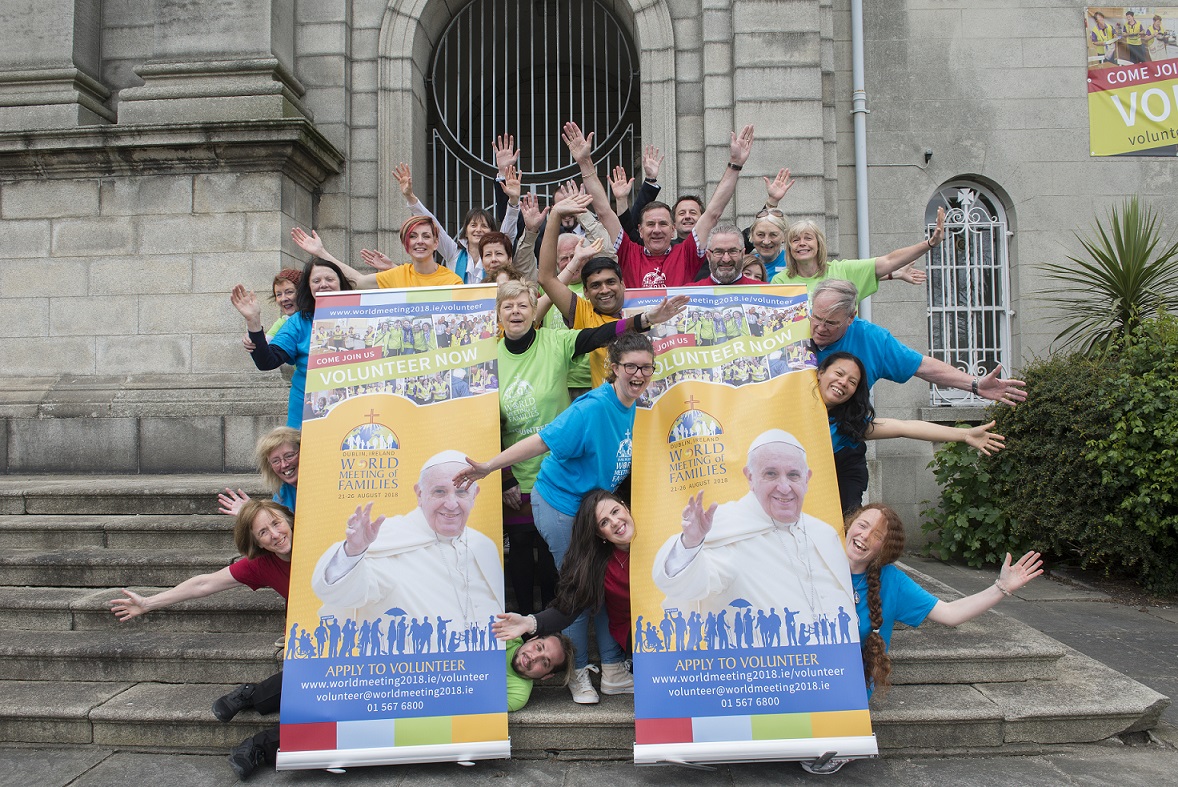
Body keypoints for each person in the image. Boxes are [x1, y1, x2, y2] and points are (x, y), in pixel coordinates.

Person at [454, 332, 657, 704]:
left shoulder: (633, 405)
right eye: (631, 366)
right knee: (580, 586)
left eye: (646, 367)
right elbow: (541, 440)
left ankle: (611, 669)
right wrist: (489, 468)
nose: (639, 374)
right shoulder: (593, 407)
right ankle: (579, 673)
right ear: (613, 369)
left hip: (592, 509)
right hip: (562, 507)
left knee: (597, 583)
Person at [108, 499, 294, 780]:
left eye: (276, 523)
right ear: (257, 543)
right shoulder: (262, 565)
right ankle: (253, 700)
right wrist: (147, 603)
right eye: (263, 532)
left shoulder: (321, 539)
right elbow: (204, 583)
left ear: (289, 519)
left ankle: (258, 733)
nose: (275, 535)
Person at [652, 430, 854, 635]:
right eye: (771, 474)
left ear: (807, 478)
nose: (784, 487)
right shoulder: (725, 528)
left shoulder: (824, 534)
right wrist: (691, 543)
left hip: (830, 665)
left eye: (793, 475)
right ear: (750, 477)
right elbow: (688, 584)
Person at [311, 451, 503, 643]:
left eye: (461, 492)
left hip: (482, 668)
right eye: (439, 492)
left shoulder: (483, 545)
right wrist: (353, 552)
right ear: (419, 494)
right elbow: (343, 593)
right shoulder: (385, 540)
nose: (452, 504)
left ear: (474, 495)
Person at [562, 119, 755, 289]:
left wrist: (735, 164)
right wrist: (585, 162)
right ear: (640, 230)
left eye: (663, 224)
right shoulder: (629, 252)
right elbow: (604, 212)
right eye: (650, 224)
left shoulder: (686, 253)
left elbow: (713, 212)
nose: (656, 230)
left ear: (673, 230)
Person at [818, 352, 1006, 514]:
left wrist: (964, 435)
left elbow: (904, 427)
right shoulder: (793, 404)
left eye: (852, 382)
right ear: (820, 373)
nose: (843, 383)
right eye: (838, 373)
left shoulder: (849, 426)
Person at [495, 489, 637, 695]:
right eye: (604, 522)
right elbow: (568, 608)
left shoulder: (660, 535)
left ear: (625, 506)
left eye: (615, 511)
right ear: (599, 534)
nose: (615, 522)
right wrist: (529, 622)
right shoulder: (599, 565)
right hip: (641, 635)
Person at [538, 193, 689, 387]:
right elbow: (546, 278)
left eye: (610, 282)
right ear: (585, 292)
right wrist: (555, 215)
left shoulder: (650, 308)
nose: (604, 290)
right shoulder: (584, 314)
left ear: (623, 284)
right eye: (595, 285)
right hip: (610, 412)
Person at [809, 278, 1027, 404]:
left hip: (844, 448)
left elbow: (921, 366)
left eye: (830, 323)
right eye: (816, 318)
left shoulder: (872, 339)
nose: (819, 328)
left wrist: (975, 384)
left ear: (850, 317)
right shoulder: (793, 325)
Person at [232, 258, 353, 428]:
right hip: (308, 415)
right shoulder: (298, 322)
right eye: (316, 281)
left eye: (330, 279)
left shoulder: (365, 313)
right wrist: (253, 322)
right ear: (308, 288)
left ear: (341, 283)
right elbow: (267, 361)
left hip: (355, 410)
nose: (323, 284)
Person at [770, 210, 941, 301]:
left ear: (819, 244)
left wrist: (929, 243)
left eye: (808, 238)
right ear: (789, 247)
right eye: (795, 240)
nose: (802, 243)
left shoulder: (843, 271)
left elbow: (889, 260)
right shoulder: (780, 281)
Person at [290, 215, 462, 291]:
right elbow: (358, 282)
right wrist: (321, 252)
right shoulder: (397, 274)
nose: (420, 241)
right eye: (413, 236)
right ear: (405, 244)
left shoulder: (452, 281)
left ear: (436, 243)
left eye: (426, 236)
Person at [217, 426, 301, 518]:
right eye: (276, 461)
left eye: (289, 456)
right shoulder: (282, 496)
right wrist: (253, 513)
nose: (284, 465)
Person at [506, 632, 575, 711]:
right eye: (538, 647)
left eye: (544, 663)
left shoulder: (518, 695)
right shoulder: (505, 633)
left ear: (547, 676)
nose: (534, 657)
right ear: (531, 639)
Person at [684, 225, 767, 286]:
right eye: (719, 252)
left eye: (733, 251)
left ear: (742, 254)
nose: (726, 259)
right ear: (708, 256)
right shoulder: (689, 294)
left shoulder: (764, 292)